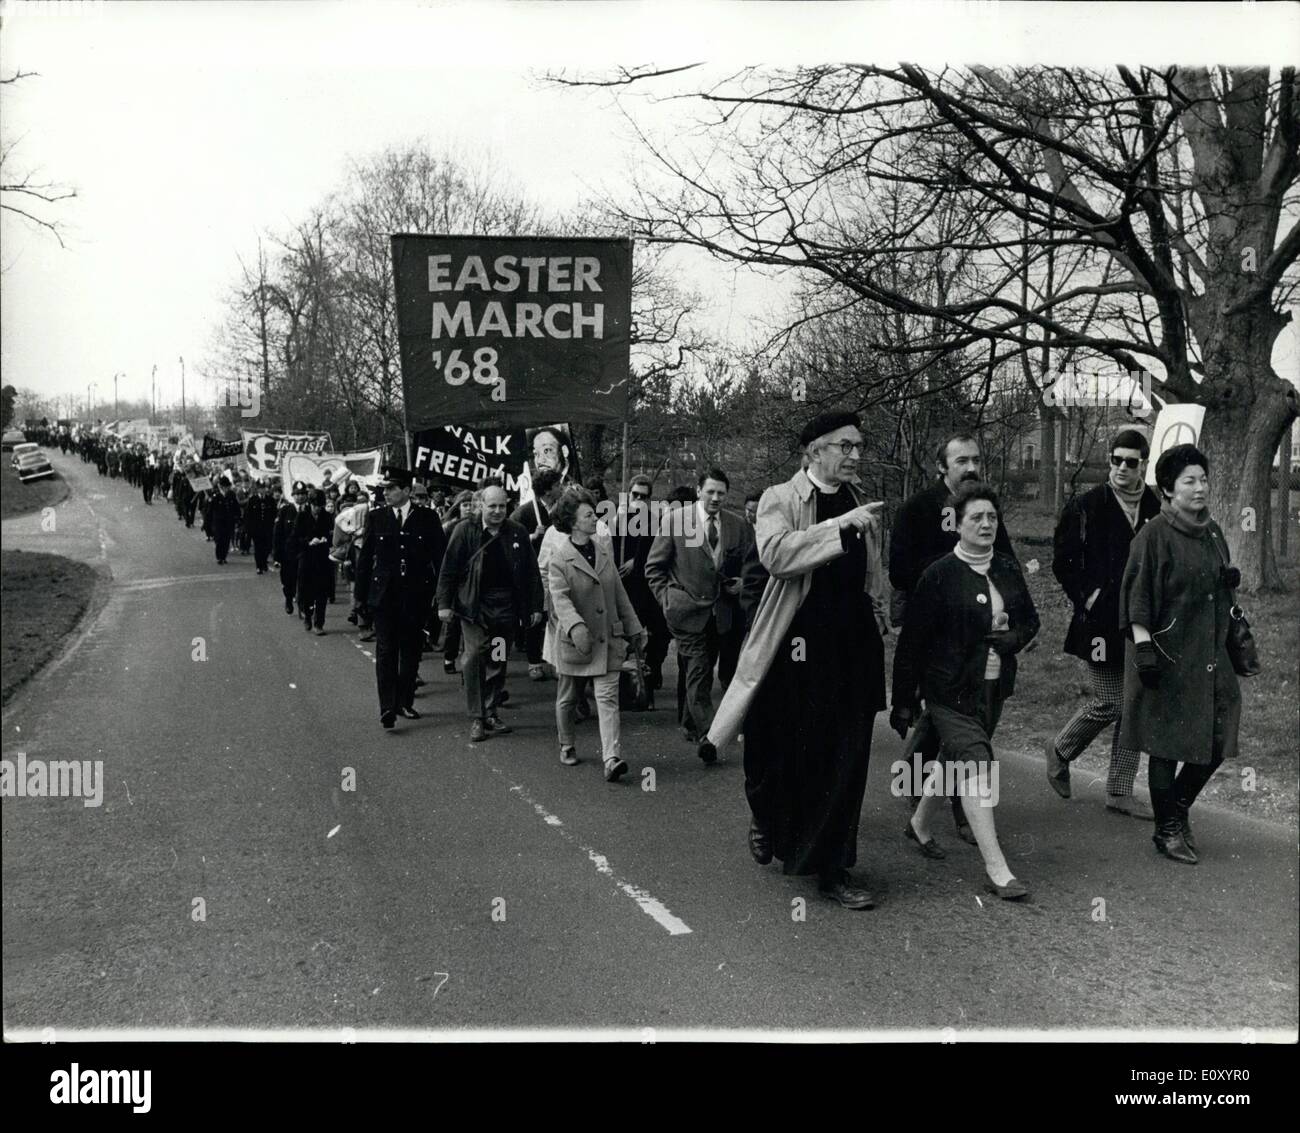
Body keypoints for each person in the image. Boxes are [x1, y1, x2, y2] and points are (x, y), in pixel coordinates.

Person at [706, 412, 889, 909]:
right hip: (792, 648)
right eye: (844, 446)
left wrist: (881, 616)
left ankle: (834, 869)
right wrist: (837, 527)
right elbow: (776, 555)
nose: (855, 455)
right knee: (777, 750)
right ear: (814, 451)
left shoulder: (858, 500)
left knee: (845, 761)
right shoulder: (779, 498)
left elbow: (873, 574)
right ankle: (766, 815)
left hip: (850, 648)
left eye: (858, 446)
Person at [891, 481, 1040, 901]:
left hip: (992, 687)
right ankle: (998, 869)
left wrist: (1013, 641)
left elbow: (1030, 621)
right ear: (957, 524)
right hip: (947, 690)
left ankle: (920, 825)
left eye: (992, 517)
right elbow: (912, 643)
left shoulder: (1008, 567)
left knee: (953, 758)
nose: (986, 523)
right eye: (976, 517)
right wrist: (903, 701)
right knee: (975, 762)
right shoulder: (938, 575)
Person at [888, 431, 1017, 845]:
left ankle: (934, 792)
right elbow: (899, 572)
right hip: (934, 634)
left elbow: (1007, 560)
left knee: (959, 717)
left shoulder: (985, 509)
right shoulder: (917, 509)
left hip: (978, 637)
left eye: (976, 459)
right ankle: (954, 804)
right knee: (948, 713)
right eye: (961, 460)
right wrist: (954, 573)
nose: (971, 467)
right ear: (941, 467)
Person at [1119, 444, 1241, 865]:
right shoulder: (1152, 537)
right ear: (1167, 489)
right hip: (1165, 657)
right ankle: (1166, 829)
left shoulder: (1212, 531)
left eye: (1203, 479)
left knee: (1220, 731)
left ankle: (1178, 808)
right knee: (1165, 743)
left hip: (1209, 652)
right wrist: (1144, 648)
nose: (1199, 488)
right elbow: (1137, 600)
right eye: (1189, 480)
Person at [1047, 428, 1161, 816]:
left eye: (1131, 462)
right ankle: (1060, 748)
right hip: (1098, 622)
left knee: (1135, 705)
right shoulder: (1088, 504)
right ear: (1109, 460)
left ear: (1143, 464)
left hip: (1141, 621)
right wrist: (1088, 595)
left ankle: (1119, 790)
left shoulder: (1154, 504)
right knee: (1112, 701)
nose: (1122, 468)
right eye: (1116, 460)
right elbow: (1061, 560)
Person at [645, 467, 762, 752]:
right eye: (710, 491)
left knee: (707, 667)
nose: (715, 498)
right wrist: (668, 599)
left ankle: (689, 722)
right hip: (685, 610)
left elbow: (753, 566)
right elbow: (653, 567)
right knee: (698, 667)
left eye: (721, 493)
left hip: (722, 612)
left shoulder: (737, 526)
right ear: (698, 491)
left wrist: (743, 583)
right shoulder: (675, 522)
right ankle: (709, 735)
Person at [546, 489, 646, 781]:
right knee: (568, 698)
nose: (595, 518)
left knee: (607, 698)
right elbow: (560, 599)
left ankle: (612, 758)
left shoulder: (602, 550)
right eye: (588, 515)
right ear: (573, 522)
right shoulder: (559, 559)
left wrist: (635, 627)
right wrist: (576, 627)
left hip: (606, 639)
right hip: (576, 641)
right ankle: (567, 744)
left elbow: (619, 594)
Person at [436, 481, 544, 742]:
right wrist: (444, 604)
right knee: (474, 657)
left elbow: (531, 572)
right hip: (474, 606)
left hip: (505, 607)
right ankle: (477, 717)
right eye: (491, 505)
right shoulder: (464, 531)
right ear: (480, 505)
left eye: (502, 505)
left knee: (497, 658)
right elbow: (449, 568)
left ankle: (491, 710)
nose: (497, 511)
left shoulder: (517, 532)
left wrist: (535, 607)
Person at [357, 469, 448, 729]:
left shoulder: (427, 518)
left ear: (407, 490)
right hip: (384, 595)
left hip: (416, 594)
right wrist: (360, 598)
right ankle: (387, 706)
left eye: (391, 488)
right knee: (386, 650)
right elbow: (365, 559)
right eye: (384, 488)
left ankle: (404, 702)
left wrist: (441, 596)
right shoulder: (377, 517)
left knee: (410, 650)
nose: (385, 492)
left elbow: (440, 558)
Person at [613, 474, 671, 691]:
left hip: (649, 586)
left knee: (661, 632)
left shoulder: (655, 521)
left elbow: (661, 550)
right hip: (627, 588)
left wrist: (637, 561)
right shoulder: (618, 518)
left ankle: (653, 668)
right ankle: (630, 677)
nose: (638, 498)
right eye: (635, 494)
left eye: (643, 496)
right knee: (629, 634)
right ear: (628, 494)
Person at [510, 468, 564, 681]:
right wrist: (532, 536)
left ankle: (555, 660)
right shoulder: (524, 512)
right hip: (533, 574)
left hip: (558, 571)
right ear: (548, 490)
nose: (561, 488)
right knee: (536, 617)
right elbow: (511, 540)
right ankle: (534, 662)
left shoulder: (563, 510)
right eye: (558, 485)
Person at [295, 489, 335, 634]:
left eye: (320, 506)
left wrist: (326, 539)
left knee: (322, 592)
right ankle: (307, 616)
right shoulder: (302, 516)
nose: (318, 509)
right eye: (315, 505)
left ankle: (319, 624)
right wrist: (308, 541)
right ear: (310, 504)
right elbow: (296, 537)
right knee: (306, 591)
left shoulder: (327, 517)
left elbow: (332, 535)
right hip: (307, 557)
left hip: (323, 558)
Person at [273, 481, 308, 616]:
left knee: (305, 580)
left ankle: (303, 605)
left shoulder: (309, 510)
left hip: (305, 551)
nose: (300, 497)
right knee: (288, 580)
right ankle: (289, 598)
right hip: (288, 553)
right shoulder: (285, 510)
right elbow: (278, 534)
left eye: (302, 494)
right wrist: (277, 556)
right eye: (297, 494)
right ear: (293, 495)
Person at [245, 477, 278, 575]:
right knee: (258, 547)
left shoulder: (270, 500)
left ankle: (264, 562)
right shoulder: (252, 500)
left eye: (263, 488)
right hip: (256, 529)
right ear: (257, 489)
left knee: (267, 547)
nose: (262, 490)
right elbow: (248, 516)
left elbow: (274, 513)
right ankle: (259, 566)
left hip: (267, 528)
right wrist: (249, 529)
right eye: (260, 488)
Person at [209, 478, 242, 566]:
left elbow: (236, 507)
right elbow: (210, 511)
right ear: (221, 487)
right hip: (218, 522)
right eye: (225, 487)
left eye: (228, 487)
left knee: (226, 540)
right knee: (219, 540)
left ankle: (224, 557)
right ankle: (219, 557)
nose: (227, 489)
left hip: (229, 521)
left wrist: (238, 517)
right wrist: (208, 523)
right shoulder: (216, 496)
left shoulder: (231, 494)